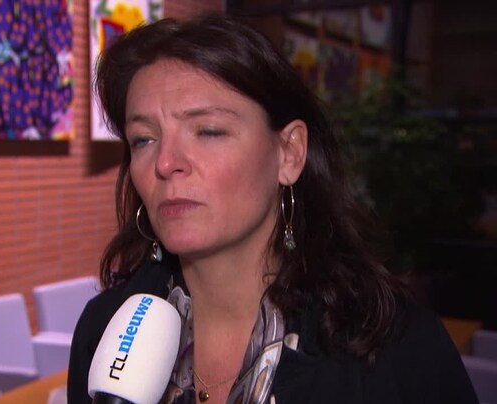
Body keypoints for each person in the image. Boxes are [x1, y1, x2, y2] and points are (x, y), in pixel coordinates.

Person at [68, 14, 478, 404]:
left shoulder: (395, 346)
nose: (165, 162)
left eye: (208, 131)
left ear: (289, 153)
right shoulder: (103, 330)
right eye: (143, 139)